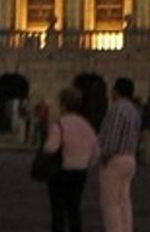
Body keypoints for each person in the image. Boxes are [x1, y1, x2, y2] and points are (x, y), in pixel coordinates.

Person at [44, 87, 99, 232]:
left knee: (58, 212)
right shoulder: (87, 125)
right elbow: (96, 151)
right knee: (74, 210)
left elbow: (51, 148)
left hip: (62, 173)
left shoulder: (60, 124)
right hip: (80, 172)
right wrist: (87, 163)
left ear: (63, 105)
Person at [99, 78, 141, 232]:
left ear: (117, 91)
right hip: (130, 157)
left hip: (115, 159)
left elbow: (112, 136)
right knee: (124, 200)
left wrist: (104, 156)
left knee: (110, 203)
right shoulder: (133, 111)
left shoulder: (117, 109)